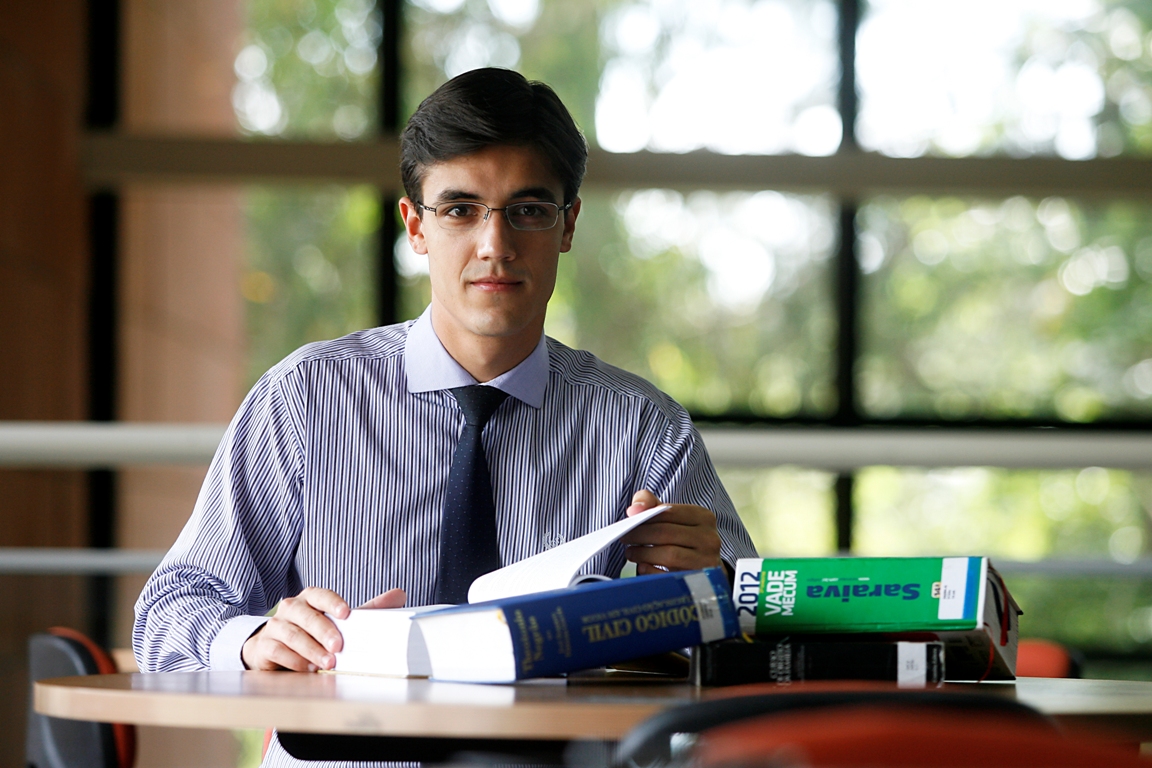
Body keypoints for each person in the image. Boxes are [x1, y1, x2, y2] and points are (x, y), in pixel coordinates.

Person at [134, 67, 757, 765]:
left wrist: (715, 595)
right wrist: (251, 642)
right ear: (415, 226)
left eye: (528, 209)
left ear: (568, 224)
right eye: (460, 209)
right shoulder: (305, 401)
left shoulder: (644, 429)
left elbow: (763, 633)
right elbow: (167, 614)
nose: (495, 244)